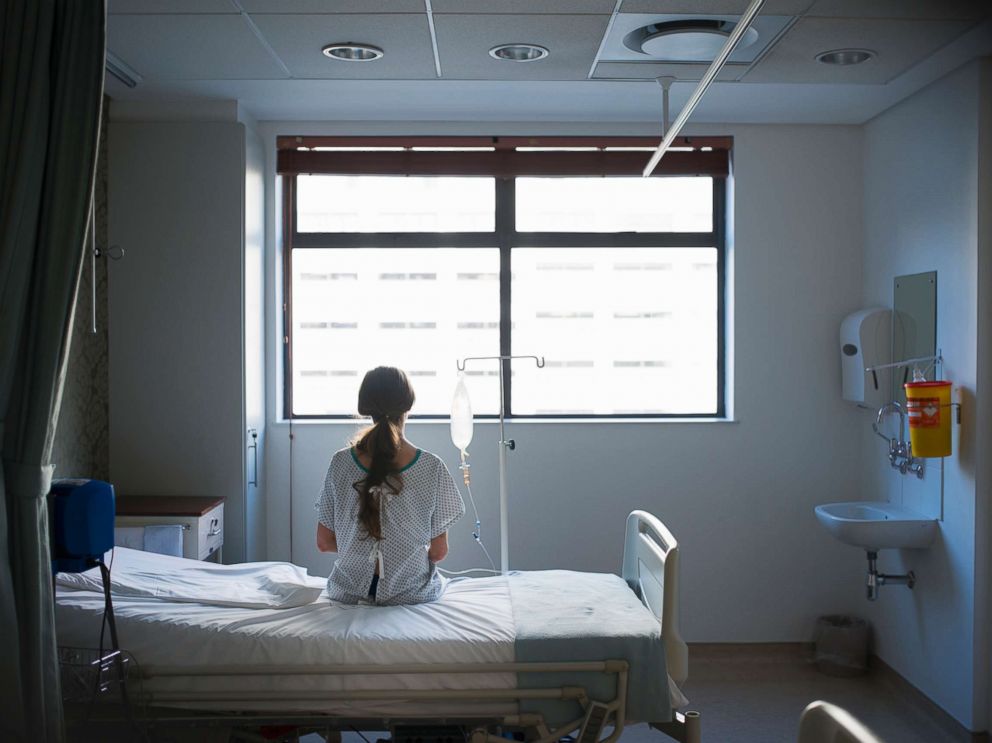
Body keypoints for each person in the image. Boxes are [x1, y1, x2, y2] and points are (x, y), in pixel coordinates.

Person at [315, 366, 465, 605]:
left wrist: (358, 551)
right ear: (408, 406)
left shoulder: (340, 463)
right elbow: (438, 552)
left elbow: (324, 542)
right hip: (410, 594)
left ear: (365, 407)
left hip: (348, 593)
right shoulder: (431, 467)